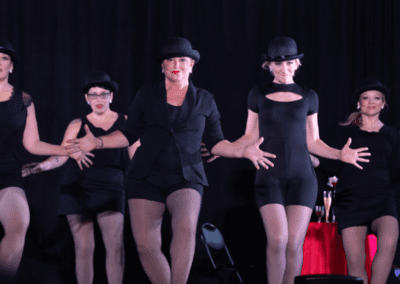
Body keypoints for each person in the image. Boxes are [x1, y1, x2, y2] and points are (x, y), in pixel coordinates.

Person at [66, 37, 274, 284]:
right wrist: (98, 141)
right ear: (162, 66)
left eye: (182, 59)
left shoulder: (205, 99)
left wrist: (241, 151)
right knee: (145, 245)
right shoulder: (146, 95)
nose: (176, 63)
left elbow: (216, 141)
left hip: (187, 177)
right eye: (170, 59)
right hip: (145, 177)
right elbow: (129, 134)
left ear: (192, 65)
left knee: (185, 232)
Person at [230, 37, 370, 284]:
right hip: (268, 175)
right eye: (278, 64)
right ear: (269, 66)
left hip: (302, 177)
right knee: (277, 240)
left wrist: (340, 154)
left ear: (297, 65)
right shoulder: (258, 94)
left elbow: (313, 142)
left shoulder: (309, 96)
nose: (284, 69)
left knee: (294, 244)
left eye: (289, 63)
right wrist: (224, 148)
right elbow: (248, 136)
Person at [23, 71, 139, 284]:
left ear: (111, 96)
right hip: (77, 187)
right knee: (84, 248)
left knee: (115, 247)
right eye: (93, 95)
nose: (98, 99)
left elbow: (138, 159)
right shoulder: (77, 124)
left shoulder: (126, 122)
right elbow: (61, 156)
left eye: (103, 94)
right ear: (86, 98)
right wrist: (39, 167)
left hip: (112, 187)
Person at [0, 39, 79, 280]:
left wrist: (68, 150)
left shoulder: (23, 99)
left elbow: (32, 144)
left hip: (8, 176)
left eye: (3, 59)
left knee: (18, 224)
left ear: (11, 66)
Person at [312, 79, 399, 284]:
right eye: (366, 98)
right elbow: (332, 165)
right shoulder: (344, 132)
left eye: (377, 98)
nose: (371, 102)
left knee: (389, 241)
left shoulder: (393, 135)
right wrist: (310, 158)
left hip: (382, 199)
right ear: (358, 103)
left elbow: (396, 170)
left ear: (383, 104)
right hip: (351, 200)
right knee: (356, 263)